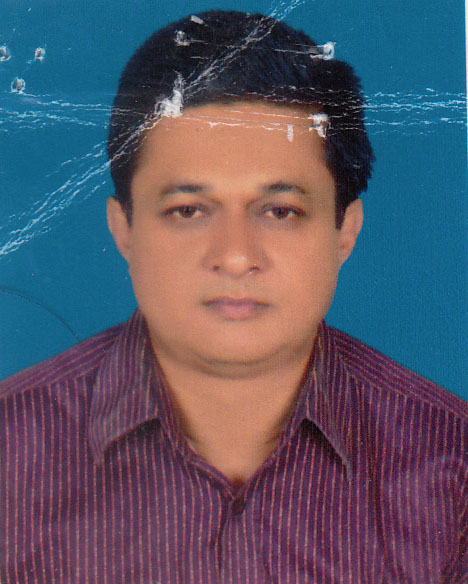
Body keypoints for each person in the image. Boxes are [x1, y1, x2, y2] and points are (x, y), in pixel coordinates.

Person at [1, 10, 467, 584]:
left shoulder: (452, 469)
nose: (237, 256)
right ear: (123, 229)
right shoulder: (10, 451)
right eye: (188, 210)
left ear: (345, 231)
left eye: (281, 211)